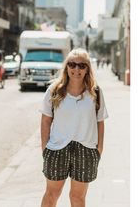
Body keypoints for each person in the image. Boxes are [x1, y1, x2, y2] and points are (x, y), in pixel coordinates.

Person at [39, 48, 108, 207]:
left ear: (87, 69)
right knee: (52, 194)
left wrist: (99, 149)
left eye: (81, 66)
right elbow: (45, 121)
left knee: (77, 198)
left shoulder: (95, 92)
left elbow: (100, 121)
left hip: (86, 150)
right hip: (57, 148)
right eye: (72, 64)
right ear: (67, 67)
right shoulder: (54, 90)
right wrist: (45, 148)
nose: (76, 69)